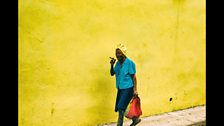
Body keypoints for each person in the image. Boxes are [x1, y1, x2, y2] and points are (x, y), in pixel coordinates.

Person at [110, 43, 141, 126]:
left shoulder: (130, 63)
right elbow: (112, 73)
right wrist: (112, 64)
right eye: (116, 53)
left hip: (128, 88)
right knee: (125, 108)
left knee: (121, 108)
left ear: (123, 53)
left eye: (119, 53)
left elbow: (134, 77)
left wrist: (135, 90)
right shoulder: (118, 64)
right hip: (120, 89)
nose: (117, 55)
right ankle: (136, 119)